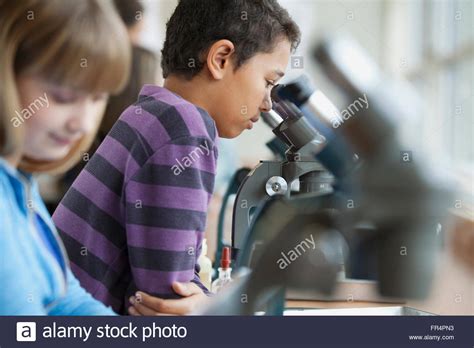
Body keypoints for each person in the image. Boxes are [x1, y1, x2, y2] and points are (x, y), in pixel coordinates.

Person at [52, 0, 301, 315]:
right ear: (221, 58)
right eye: (268, 82)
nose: (268, 103)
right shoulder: (184, 129)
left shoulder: (151, 112)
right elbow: (168, 302)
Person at [0, 0, 131, 315]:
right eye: (64, 97)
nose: (82, 123)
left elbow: (64, 300)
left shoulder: (18, 183)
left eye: (97, 97)